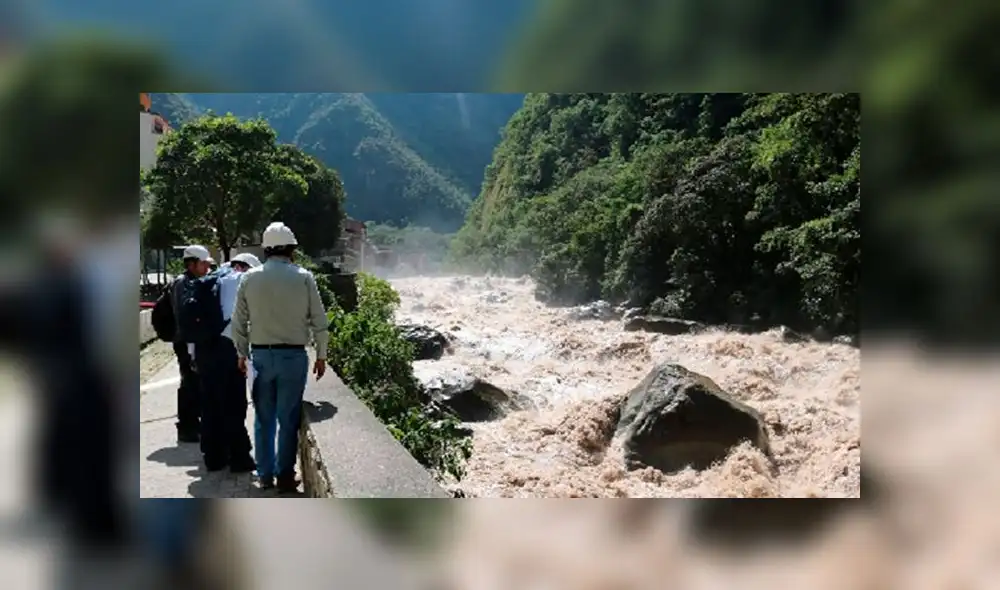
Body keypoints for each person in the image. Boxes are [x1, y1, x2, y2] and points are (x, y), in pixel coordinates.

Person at [232, 223, 328, 493]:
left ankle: (264, 475)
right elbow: (319, 321)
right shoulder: (304, 277)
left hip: (261, 357)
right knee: (288, 420)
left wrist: (241, 353)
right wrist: (321, 354)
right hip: (294, 358)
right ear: (290, 248)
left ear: (267, 247)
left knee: (263, 419)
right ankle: (285, 476)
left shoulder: (249, 278)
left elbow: (238, 322)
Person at [187, 252, 262, 472]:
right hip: (228, 349)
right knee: (234, 405)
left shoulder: (209, 279)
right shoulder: (241, 280)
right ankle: (239, 459)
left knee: (210, 404)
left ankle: (213, 457)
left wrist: (193, 355)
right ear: (247, 267)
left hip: (204, 350)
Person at [170, 245, 213, 443]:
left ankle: (196, 424)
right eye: (203, 263)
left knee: (197, 382)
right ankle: (187, 427)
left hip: (195, 340)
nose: (206, 267)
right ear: (191, 263)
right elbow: (185, 315)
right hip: (186, 341)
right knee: (189, 382)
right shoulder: (182, 283)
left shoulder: (196, 280)